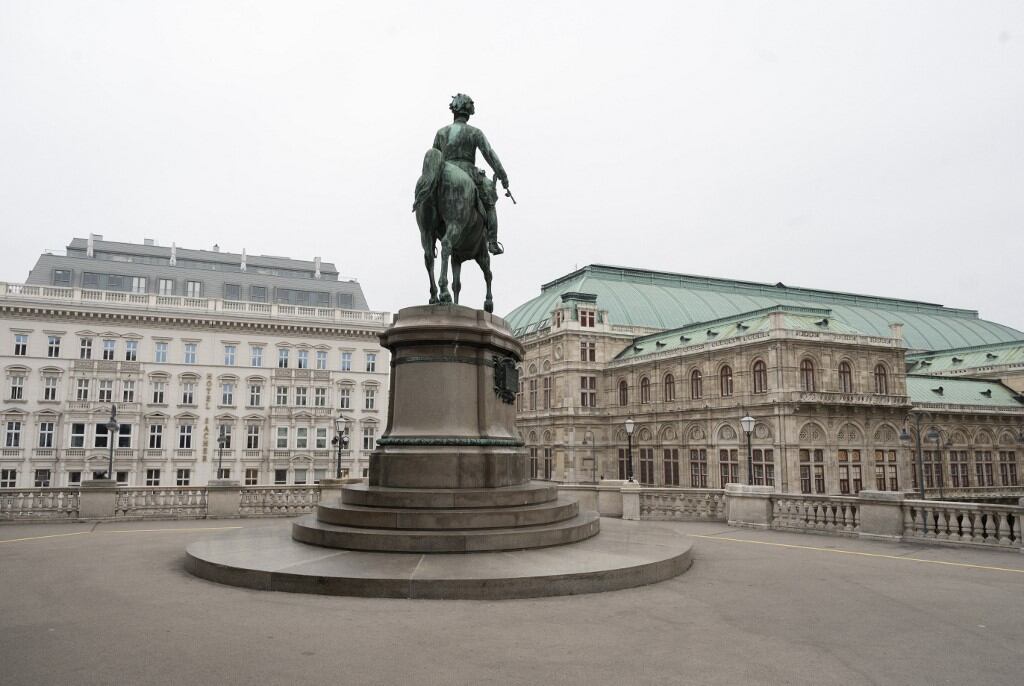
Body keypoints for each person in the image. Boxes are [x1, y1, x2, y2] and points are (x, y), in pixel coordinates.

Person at [431, 94, 509, 255]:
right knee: (490, 199)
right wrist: (502, 176)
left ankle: (430, 239)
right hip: (467, 171)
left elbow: (435, 157)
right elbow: (489, 154)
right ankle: (492, 242)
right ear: (468, 110)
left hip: (444, 171)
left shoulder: (440, 133)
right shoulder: (475, 132)